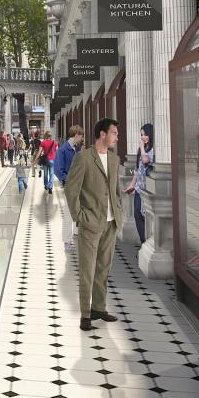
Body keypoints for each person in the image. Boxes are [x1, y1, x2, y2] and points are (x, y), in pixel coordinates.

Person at [64, 118, 123, 332]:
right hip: (90, 223)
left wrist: (119, 212)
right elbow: (71, 189)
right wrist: (79, 217)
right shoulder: (84, 158)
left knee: (103, 269)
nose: (117, 137)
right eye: (114, 133)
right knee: (87, 271)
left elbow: (116, 190)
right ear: (102, 134)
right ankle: (85, 315)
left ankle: (99, 308)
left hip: (111, 222)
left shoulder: (115, 160)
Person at [55, 125, 85, 251]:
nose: (82, 138)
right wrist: (67, 180)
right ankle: (67, 241)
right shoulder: (63, 150)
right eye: (81, 136)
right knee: (68, 213)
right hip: (70, 186)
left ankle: (77, 233)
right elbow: (57, 169)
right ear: (77, 135)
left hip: (78, 185)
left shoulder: (75, 149)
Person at [124, 124, 155, 244]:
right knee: (137, 214)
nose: (143, 137)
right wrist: (132, 184)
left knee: (145, 215)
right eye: (141, 135)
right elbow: (137, 169)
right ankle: (143, 242)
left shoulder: (153, 149)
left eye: (145, 134)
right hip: (139, 188)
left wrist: (142, 148)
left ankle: (148, 243)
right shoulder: (141, 149)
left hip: (148, 189)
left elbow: (146, 160)